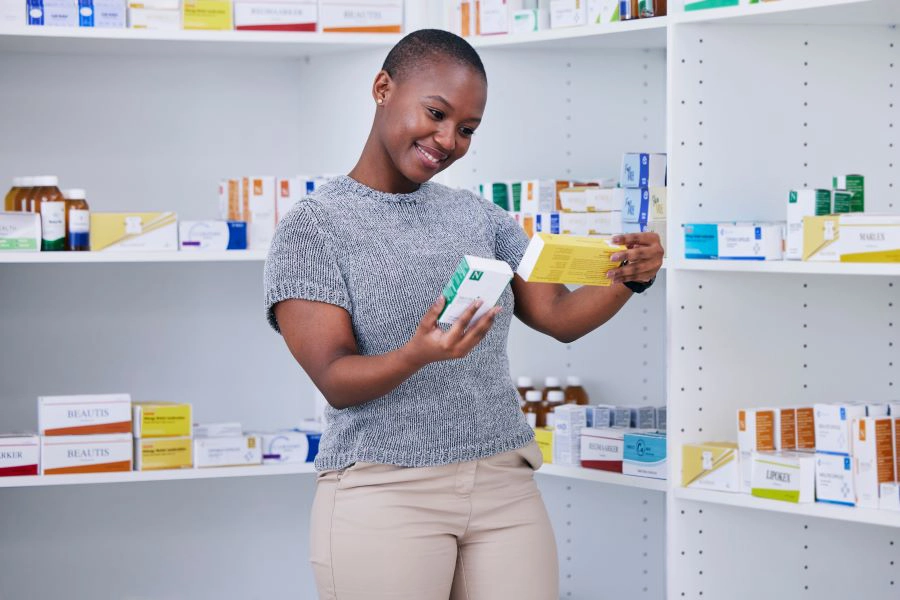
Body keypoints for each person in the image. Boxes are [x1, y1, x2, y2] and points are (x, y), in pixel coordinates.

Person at [264, 29, 664, 600]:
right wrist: (415, 355)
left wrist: (633, 274)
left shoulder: (479, 215)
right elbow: (335, 378)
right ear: (383, 88)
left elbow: (558, 313)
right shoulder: (314, 227)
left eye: (467, 129)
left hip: (504, 483)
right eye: (436, 113)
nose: (447, 139)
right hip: (385, 492)